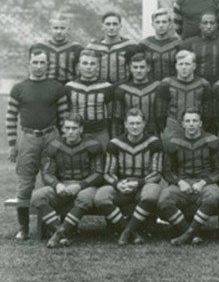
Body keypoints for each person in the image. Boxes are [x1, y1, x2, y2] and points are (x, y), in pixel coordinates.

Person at [6, 47, 69, 240]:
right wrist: (12, 143)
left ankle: (55, 226)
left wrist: (64, 142)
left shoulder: (57, 87)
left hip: (52, 136)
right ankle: (23, 227)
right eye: (36, 62)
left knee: (55, 180)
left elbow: (64, 117)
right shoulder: (19, 88)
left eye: (43, 63)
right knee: (25, 183)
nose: (39, 66)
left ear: (47, 65)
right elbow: (11, 116)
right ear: (29, 64)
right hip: (28, 137)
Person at [31, 113, 104, 248]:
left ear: (81, 129)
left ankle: (58, 235)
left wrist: (80, 185)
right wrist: (57, 184)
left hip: (85, 186)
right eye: (67, 128)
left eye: (74, 128)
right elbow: (47, 172)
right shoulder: (53, 145)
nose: (70, 132)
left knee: (85, 198)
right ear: (63, 129)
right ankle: (60, 231)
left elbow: (99, 173)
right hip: (62, 186)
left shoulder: (93, 145)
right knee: (37, 196)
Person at [94, 108, 163, 246]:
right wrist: (118, 184)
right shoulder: (115, 143)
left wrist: (139, 183)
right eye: (131, 123)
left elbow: (157, 172)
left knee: (152, 193)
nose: (135, 127)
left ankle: (126, 232)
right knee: (100, 196)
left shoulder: (154, 142)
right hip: (122, 185)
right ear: (125, 124)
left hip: (143, 185)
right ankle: (132, 232)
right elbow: (107, 172)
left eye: (138, 123)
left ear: (144, 124)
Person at [159, 108, 219, 246]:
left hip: (205, 182)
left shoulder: (211, 140)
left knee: (213, 196)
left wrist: (203, 182)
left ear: (200, 123)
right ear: (182, 123)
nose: (191, 124)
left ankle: (188, 234)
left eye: (195, 121)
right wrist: (179, 182)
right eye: (188, 121)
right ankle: (188, 232)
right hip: (183, 182)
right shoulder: (173, 142)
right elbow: (167, 171)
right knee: (164, 198)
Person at [156, 50, 214, 140]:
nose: (183, 67)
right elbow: (160, 112)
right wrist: (166, 129)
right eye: (180, 64)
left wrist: (201, 127)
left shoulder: (203, 84)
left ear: (194, 66)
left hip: (196, 128)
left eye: (187, 64)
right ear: (176, 66)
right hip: (173, 128)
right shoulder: (166, 83)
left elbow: (208, 112)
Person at [64, 49, 115, 145]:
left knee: (101, 158)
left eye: (92, 64)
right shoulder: (69, 87)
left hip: (100, 133)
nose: (88, 67)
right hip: (77, 134)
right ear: (79, 66)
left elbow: (111, 114)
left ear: (98, 67)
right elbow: (66, 113)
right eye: (85, 63)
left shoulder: (107, 87)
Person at [179, 11, 219, 86]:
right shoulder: (188, 44)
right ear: (199, 25)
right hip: (196, 88)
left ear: (216, 25)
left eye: (212, 23)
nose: (209, 26)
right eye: (205, 23)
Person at [113, 53, 162, 136]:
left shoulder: (158, 87)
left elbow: (162, 116)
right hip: (130, 134)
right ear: (130, 69)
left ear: (148, 68)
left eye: (142, 67)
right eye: (135, 67)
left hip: (153, 134)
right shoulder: (122, 89)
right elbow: (118, 118)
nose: (138, 70)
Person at [85, 12, 139, 84]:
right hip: (98, 88)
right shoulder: (92, 47)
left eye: (115, 24)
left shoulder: (131, 46)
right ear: (102, 26)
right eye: (108, 24)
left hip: (123, 88)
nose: (111, 28)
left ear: (120, 26)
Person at [33, 13, 82, 84]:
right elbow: (32, 70)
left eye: (62, 28)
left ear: (68, 29)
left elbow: (81, 72)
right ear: (50, 29)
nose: (59, 31)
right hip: (45, 86)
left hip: (67, 87)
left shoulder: (76, 48)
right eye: (55, 28)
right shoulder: (40, 47)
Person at [137, 8, 181, 82]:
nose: (161, 25)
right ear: (153, 24)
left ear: (170, 24)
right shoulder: (144, 44)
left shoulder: (177, 43)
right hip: (150, 87)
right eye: (157, 22)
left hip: (173, 86)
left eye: (164, 22)